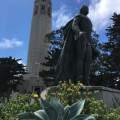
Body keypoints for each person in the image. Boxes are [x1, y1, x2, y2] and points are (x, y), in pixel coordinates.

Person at [55, 5, 99, 85]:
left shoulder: (89, 21)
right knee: (80, 59)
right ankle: (79, 80)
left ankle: (86, 80)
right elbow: (74, 25)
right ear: (82, 10)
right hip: (81, 39)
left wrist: (93, 47)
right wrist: (79, 32)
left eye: (87, 8)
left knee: (88, 61)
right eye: (85, 8)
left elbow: (90, 35)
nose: (87, 9)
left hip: (88, 41)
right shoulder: (78, 16)